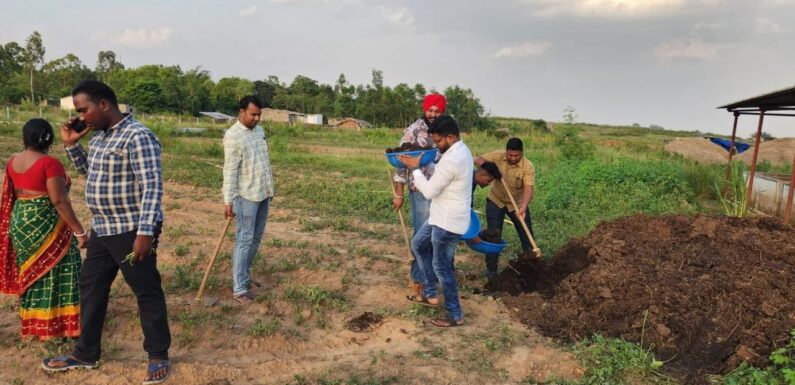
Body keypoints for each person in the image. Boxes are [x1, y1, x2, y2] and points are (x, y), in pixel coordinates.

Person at [41, 80, 171, 385]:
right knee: (91, 288)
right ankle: (86, 353)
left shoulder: (138, 136)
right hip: (103, 227)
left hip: (130, 229)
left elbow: (152, 186)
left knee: (146, 291)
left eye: (83, 109)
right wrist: (72, 145)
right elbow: (92, 172)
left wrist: (145, 233)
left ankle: (158, 355)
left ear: (104, 104)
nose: (81, 116)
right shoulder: (99, 137)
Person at [0, 119, 87, 340]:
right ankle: (60, 326)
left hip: (21, 223)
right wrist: (79, 230)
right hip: (45, 224)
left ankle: (35, 325)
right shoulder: (50, 164)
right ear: (49, 139)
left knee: (32, 273)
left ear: (24, 138)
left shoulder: (12, 162)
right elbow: (58, 201)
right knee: (64, 267)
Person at [398, 115, 472, 328]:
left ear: (450, 137)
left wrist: (414, 169)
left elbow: (429, 191)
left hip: (447, 222)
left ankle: (454, 315)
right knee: (418, 245)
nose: (436, 146)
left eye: (439, 141)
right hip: (441, 216)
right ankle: (430, 292)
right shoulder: (461, 151)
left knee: (442, 268)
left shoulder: (453, 159)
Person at [222, 95, 275, 304]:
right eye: (253, 114)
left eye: (259, 115)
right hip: (246, 197)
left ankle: (243, 275)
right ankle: (239, 289)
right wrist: (228, 200)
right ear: (241, 112)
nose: (257, 118)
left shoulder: (259, 131)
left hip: (263, 193)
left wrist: (270, 188)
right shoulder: (233, 136)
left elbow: (263, 163)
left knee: (255, 239)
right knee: (244, 240)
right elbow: (230, 171)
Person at [393, 93, 445, 300]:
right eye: (430, 110)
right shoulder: (413, 131)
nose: (432, 114)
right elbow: (399, 163)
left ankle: (434, 279)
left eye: (437, 110)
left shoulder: (447, 130)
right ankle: (418, 282)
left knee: (439, 237)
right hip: (421, 192)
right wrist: (399, 194)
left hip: (442, 193)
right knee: (422, 238)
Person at [474, 137, 537, 279]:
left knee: (527, 235)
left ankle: (532, 267)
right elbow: (477, 159)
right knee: (493, 235)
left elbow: (528, 188)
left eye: (517, 155)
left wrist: (523, 206)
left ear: (522, 153)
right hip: (496, 200)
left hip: (517, 205)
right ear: (506, 151)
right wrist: (493, 169)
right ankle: (491, 270)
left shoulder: (528, 167)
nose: (513, 158)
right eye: (510, 155)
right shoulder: (497, 155)